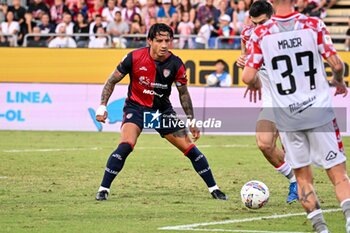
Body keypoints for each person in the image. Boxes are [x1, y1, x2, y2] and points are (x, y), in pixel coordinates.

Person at [242, 0, 350, 232]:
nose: (255, 26)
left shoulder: (263, 35)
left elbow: (247, 76)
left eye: (260, 22)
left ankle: (320, 227)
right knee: (337, 174)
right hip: (301, 104)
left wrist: (250, 78)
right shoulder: (312, 25)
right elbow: (337, 65)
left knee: (307, 177)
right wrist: (339, 80)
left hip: (289, 109)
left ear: (272, 11)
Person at [94, 23, 227, 202]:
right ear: (150, 41)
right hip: (136, 108)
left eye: (167, 40)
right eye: (159, 40)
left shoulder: (176, 64)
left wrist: (191, 120)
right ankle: (103, 189)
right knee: (126, 145)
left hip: (162, 111)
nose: (164, 45)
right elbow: (111, 81)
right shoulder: (133, 57)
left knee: (190, 149)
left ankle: (215, 189)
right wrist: (103, 106)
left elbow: (183, 93)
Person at [237, 0, 298, 204]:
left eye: (262, 23)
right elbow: (250, 69)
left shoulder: (289, 34)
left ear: (273, 17)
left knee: (293, 148)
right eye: (254, 23)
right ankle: (295, 180)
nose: (257, 28)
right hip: (271, 99)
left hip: (295, 98)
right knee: (264, 144)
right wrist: (243, 65)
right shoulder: (247, 34)